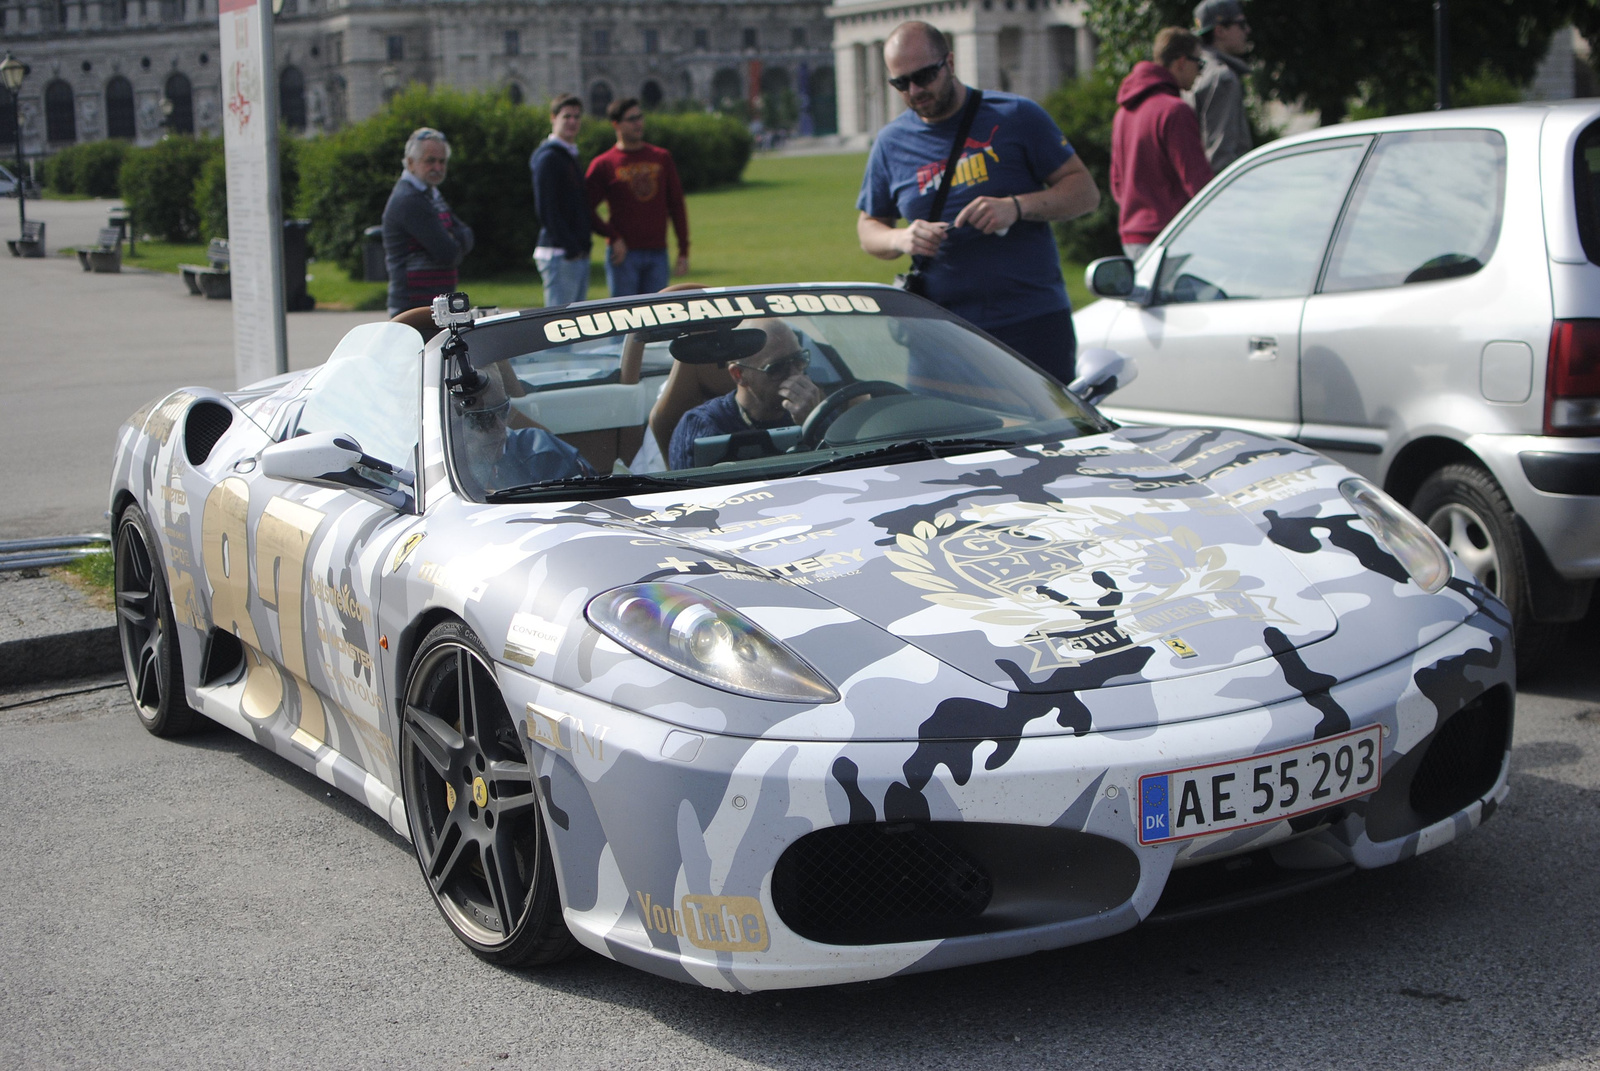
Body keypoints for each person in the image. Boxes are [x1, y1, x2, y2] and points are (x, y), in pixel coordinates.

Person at [857, 21, 1100, 383]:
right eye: (900, 83)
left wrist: (1016, 206)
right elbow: (868, 228)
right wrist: (902, 238)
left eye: (924, 76)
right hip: (941, 333)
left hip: (1031, 322)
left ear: (949, 62)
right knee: (941, 440)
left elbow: (1085, 193)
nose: (914, 90)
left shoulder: (1016, 116)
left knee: (1051, 438)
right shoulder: (891, 143)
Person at [1110, 28, 1214, 260]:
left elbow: (1117, 183)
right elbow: (1198, 182)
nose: (1199, 73)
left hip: (1133, 239)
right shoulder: (1174, 111)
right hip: (1171, 236)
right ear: (1181, 62)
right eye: (1199, 63)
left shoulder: (1123, 112)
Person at [668, 320, 823, 470]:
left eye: (799, 360)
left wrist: (812, 424)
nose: (795, 374)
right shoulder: (704, 425)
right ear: (738, 375)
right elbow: (686, 492)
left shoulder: (812, 408)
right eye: (777, 368)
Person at [586, 98, 691, 297]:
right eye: (631, 119)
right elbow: (585, 208)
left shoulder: (661, 158)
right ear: (616, 124)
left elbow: (676, 205)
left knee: (658, 320)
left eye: (640, 117)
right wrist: (612, 236)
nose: (638, 123)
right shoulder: (604, 164)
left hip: (657, 253)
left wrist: (683, 249)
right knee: (625, 318)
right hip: (623, 256)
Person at [452, 369, 594, 497]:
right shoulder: (441, 475)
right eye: (483, 419)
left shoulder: (541, 453)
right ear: (455, 424)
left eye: (502, 411)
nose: (500, 426)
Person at [382, 127, 475, 317]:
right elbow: (448, 253)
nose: (438, 168)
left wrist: (455, 239)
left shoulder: (430, 194)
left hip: (432, 303)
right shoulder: (410, 199)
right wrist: (455, 241)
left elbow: (466, 233)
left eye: (442, 162)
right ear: (410, 162)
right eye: (430, 161)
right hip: (414, 305)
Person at [530, 94, 593, 307]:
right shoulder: (549, 157)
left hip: (574, 252)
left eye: (577, 117)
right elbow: (547, 208)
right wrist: (571, 247)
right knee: (562, 326)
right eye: (567, 117)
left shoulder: (568, 155)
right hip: (560, 253)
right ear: (553, 118)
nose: (573, 122)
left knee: (574, 323)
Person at [1189, 0, 1253, 171]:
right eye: (1241, 24)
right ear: (1220, 31)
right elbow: (1221, 157)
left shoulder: (1192, 69)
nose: (1247, 30)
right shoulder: (1221, 77)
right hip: (1227, 191)